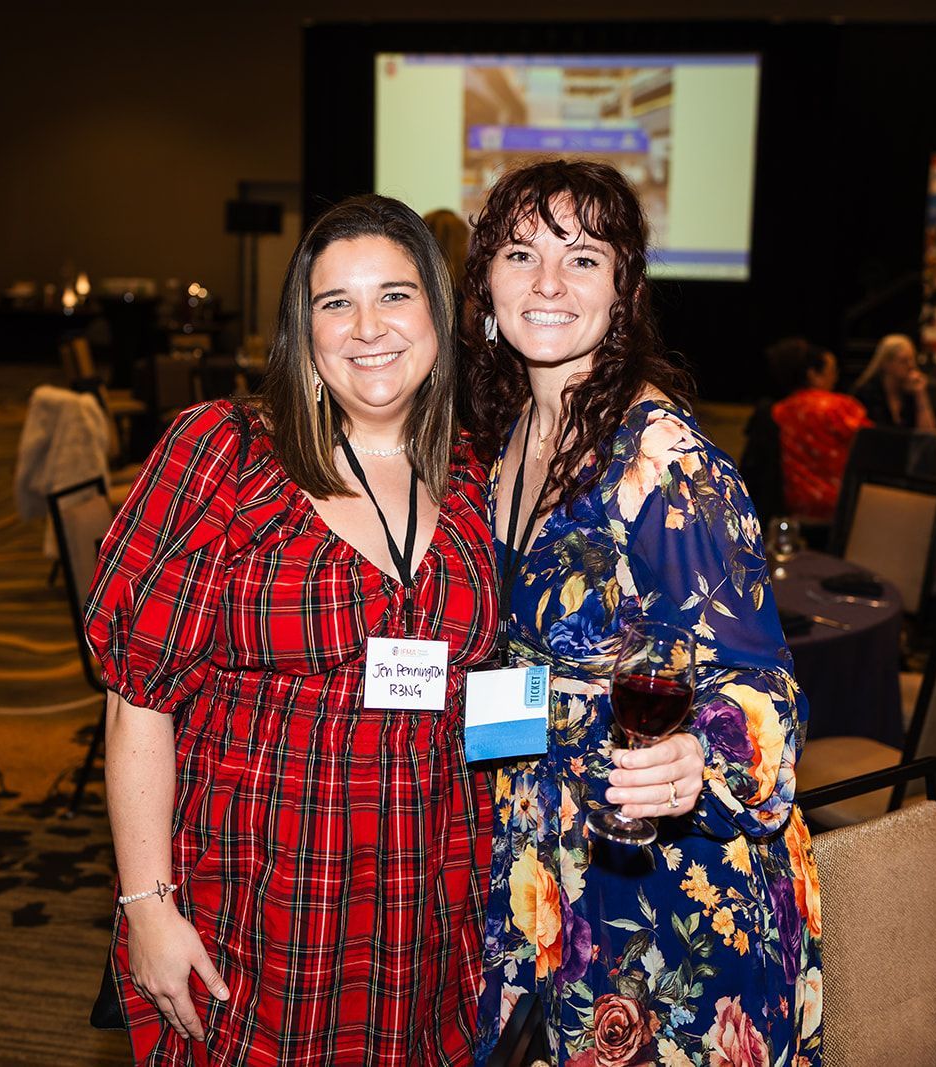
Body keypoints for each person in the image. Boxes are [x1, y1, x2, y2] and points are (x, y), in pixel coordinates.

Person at [84, 195, 498, 1066]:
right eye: (335, 302)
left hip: (427, 895)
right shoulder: (226, 454)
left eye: (394, 295)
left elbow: (492, 690)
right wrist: (148, 908)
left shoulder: (474, 473)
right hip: (262, 894)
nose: (367, 327)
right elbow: (135, 702)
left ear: (438, 312)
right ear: (303, 334)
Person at [459, 159, 821, 1066]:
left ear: (622, 293)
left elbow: (766, 690)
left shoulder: (665, 463)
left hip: (669, 891)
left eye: (582, 258)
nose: (548, 282)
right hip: (553, 861)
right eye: (521, 253)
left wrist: (702, 754)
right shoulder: (512, 435)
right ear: (486, 286)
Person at [767, 336, 872, 528]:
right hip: (841, 509)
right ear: (813, 374)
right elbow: (874, 445)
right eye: (831, 371)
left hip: (798, 511)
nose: (836, 377)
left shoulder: (779, 411)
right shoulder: (840, 407)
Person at [850, 332, 935, 430]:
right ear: (886, 364)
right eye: (904, 361)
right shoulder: (865, 393)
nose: (911, 366)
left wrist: (920, 394)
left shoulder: (911, 391)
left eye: (912, 359)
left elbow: (927, 434)